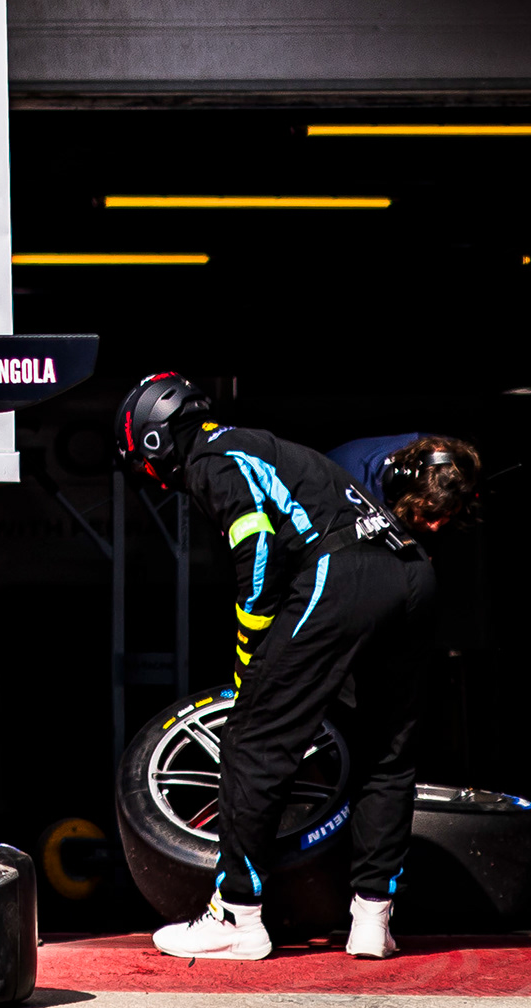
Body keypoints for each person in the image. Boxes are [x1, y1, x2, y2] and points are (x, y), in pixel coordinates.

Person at [117, 373, 440, 963]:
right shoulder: (260, 443)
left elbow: (258, 551)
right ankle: (373, 921)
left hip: (342, 573)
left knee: (252, 741)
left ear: (156, 442)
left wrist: (250, 653)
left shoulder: (213, 459)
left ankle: (237, 916)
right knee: (387, 753)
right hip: (411, 571)